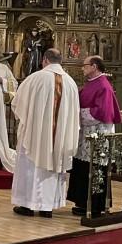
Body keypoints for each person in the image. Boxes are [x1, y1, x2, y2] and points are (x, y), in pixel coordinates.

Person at [11, 49, 81, 218]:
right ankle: (47, 207)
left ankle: (28, 205)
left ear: (45, 60)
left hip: (35, 135)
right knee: (53, 167)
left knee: (32, 166)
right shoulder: (71, 82)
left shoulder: (35, 78)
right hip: (60, 138)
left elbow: (18, 104)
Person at [67, 56, 122, 218]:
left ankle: (95, 205)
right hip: (87, 134)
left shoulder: (103, 86)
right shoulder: (92, 83)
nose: (82, 68)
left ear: (94, 66)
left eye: (84, 65)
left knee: (95, 168)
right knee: (83, 168)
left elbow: (101, 112)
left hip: (98, 134)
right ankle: (83, 202)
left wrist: (77, 113)